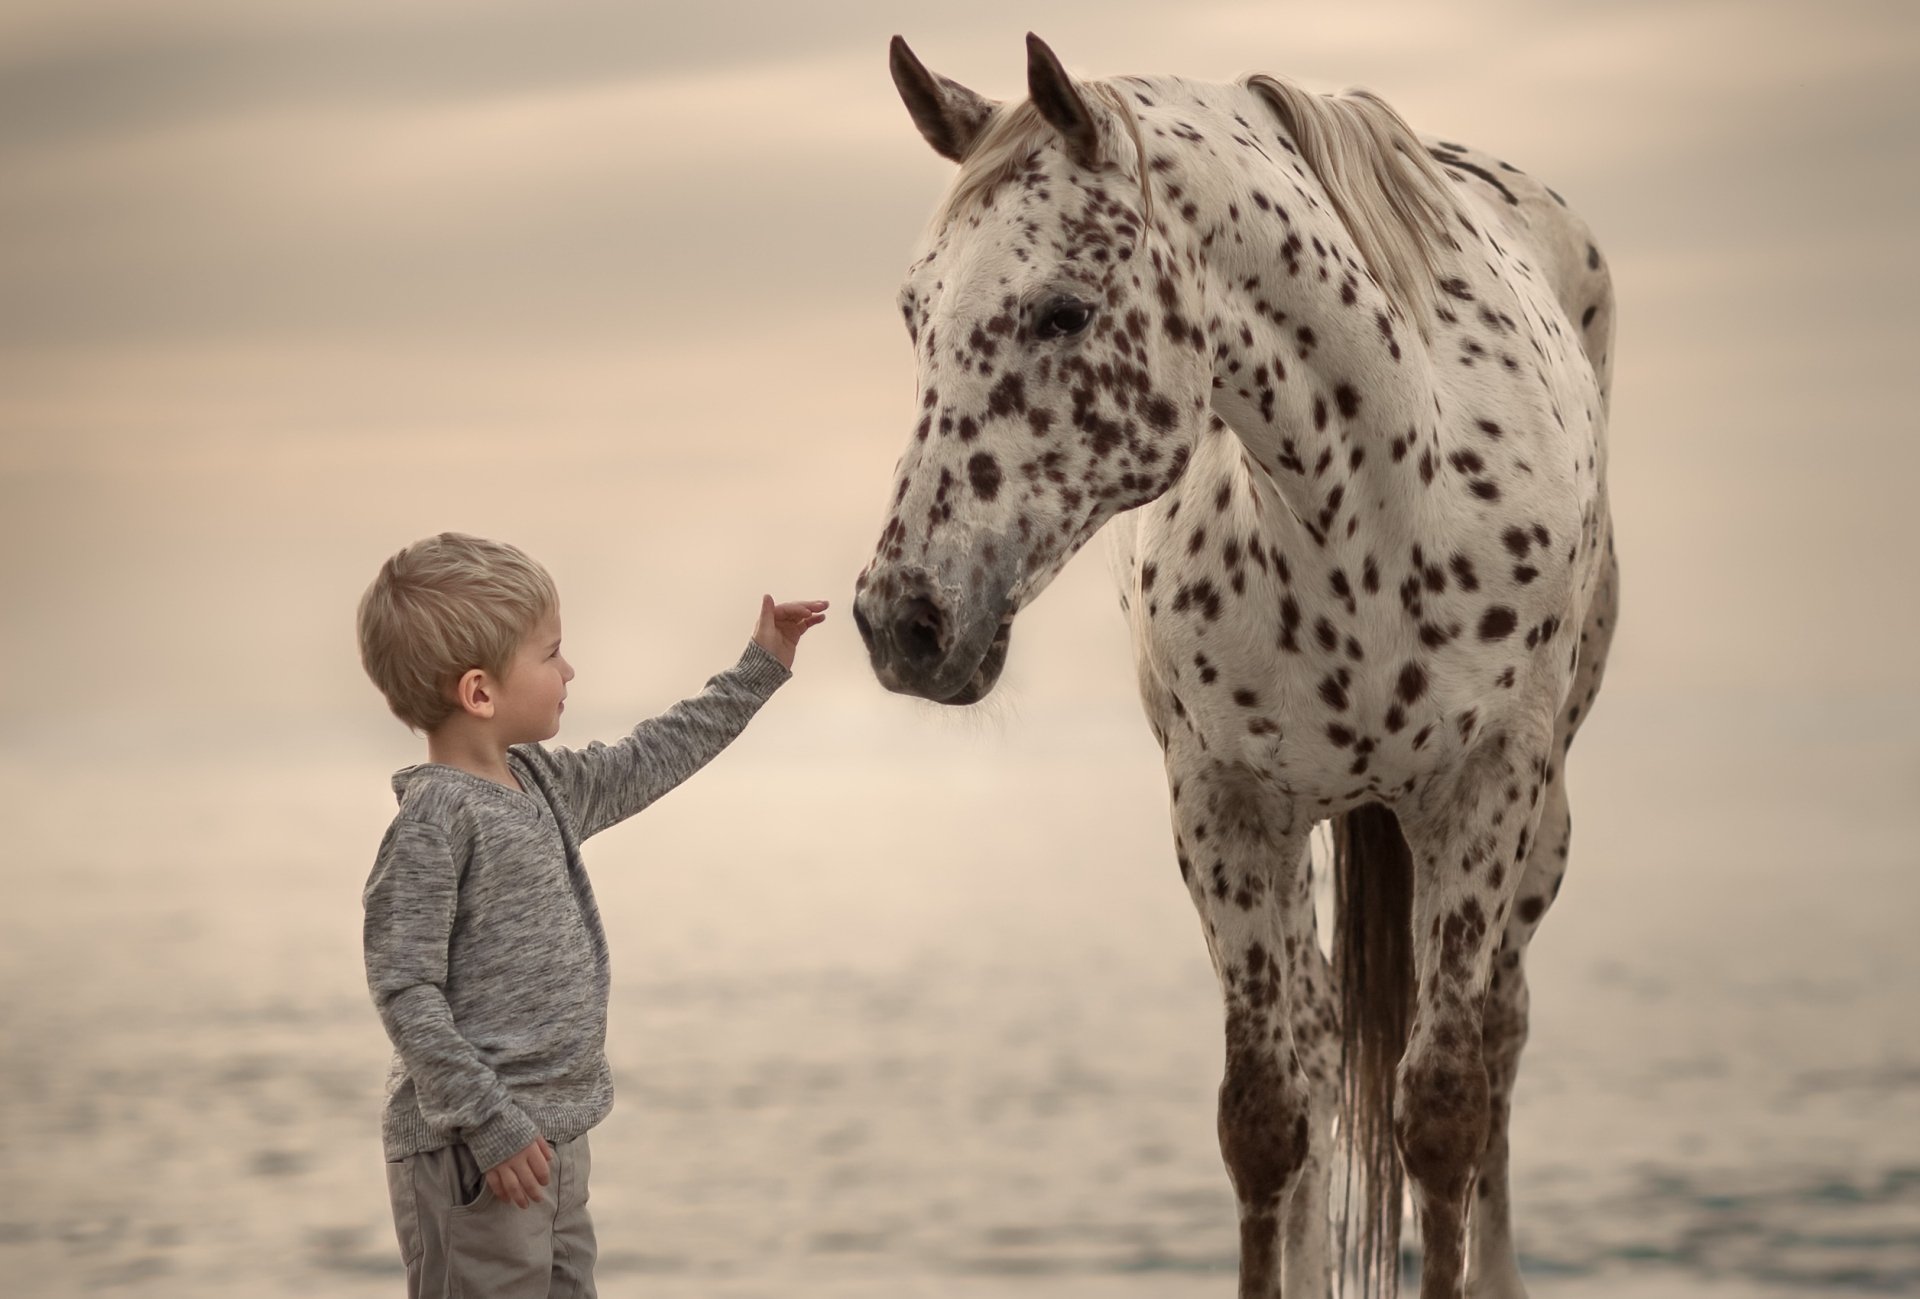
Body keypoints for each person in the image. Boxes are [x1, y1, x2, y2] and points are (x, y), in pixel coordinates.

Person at [355, 531, 826, 1297]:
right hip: (474, 1150)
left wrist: (759, 669)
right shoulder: (435, 821)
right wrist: (489, 1121)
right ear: (479, 691)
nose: (569, 670)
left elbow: (651, 755)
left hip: (553, 1138)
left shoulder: (543, 783)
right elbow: (405, 989)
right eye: (551, 653)